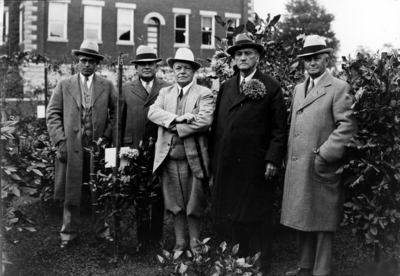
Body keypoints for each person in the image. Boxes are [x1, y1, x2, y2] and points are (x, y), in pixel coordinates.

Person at [281, 35, 358, 276]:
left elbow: (347, 126)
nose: (311, 62)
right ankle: (304, 266)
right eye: (307, 59)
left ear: (327, 58)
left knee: (322, 219)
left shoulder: (338, 87)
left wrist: (324, 155)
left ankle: (321, 270)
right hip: (298, 164)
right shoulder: (298, 88)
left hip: (320, 164)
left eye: (316, 57)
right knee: (303, 215)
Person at [210, 33, 287, 274]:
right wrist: (216, 163)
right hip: (230, 164)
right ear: (233, 59)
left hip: (256, 165)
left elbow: (279, 128)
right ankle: (239, 262)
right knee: (235, 214)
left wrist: (272, 158)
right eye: (238, 54)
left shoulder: (271, 86)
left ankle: (263, 265)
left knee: (259, 216)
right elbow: (218, 125)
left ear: (258, 58)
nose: (242, 58)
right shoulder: (226, 86)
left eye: (247, 53)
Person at [46, 40, 117, 249]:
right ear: (78, 62)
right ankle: (68, 234)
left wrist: (106, 136)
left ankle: (101, 232)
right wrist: (60, 140)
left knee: (100, 190)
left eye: (91, 61)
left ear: (97, 64)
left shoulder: (107, 85)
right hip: (71, 147)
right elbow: (52, 114)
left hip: (98, 148)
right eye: (83, 60)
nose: (86, 64)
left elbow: (116, 113)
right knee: (71, 190)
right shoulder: (64, 84)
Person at [148, 48, 214, 253]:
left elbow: (205, 120)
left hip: (193, 159)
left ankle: (195, 243)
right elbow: (153, 112)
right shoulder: (165, 93)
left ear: (194, 71)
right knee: (174, 203)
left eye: (187, 68)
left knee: (194, 204)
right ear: (172, 71)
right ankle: (180, 242)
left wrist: (176, 128)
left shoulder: (204, 93)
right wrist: (177, 119)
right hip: (168, 159)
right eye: (178, 68)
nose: (182, 71)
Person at [120, 45, 171, 252]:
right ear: (137, 67)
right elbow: (119, 121)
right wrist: (121, 152)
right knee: (138, 193)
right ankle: (143, 238)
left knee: (158, 193)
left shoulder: (167, 88)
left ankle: (157, 236)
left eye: (151, 64)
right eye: (143, 64)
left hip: (159, 148)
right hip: (133, 149)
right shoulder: (126, 88)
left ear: (156, 66)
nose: (147, 67)